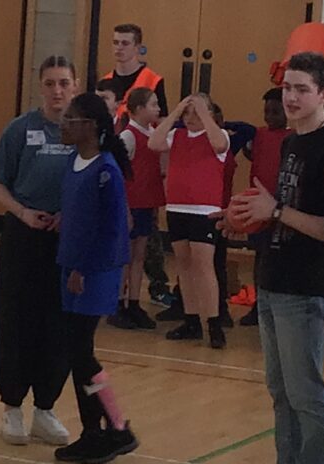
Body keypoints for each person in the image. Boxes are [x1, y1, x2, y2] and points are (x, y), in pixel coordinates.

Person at [226, 53, 324, 464]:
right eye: (287, 88)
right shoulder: (294, 141)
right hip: (275, 278)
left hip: (305, 287)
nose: (291, 98)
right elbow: (281, 211)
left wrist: (274, 210)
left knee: (307, 397)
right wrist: (248, 216)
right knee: (282, 393)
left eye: (302, 89)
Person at [0, 56, 81, 446]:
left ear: (75, 86)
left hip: (66, 240)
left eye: (64, 83)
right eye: (50, 83)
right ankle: (11, 408)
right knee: (14, 322)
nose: (57, 91)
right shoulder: (20, 130)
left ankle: (45, 409)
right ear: (41, 86)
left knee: (57, 325)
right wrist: (22, 212)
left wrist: (70, 216)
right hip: (23, 237)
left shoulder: (84, 134)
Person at [54, 92, 137, 464]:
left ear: (89, 125)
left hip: (93, 272)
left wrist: (83, 268)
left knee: (80, 350)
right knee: (76, 351)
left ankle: (116, 427)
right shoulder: (74, 162)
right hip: (71, 267)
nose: (64, 124)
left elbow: (113, 228)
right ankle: (93, 432)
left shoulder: (106, 171)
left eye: (70, 119)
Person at [96, 22, 170, 301]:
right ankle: (114, 293)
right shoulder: (105, 81)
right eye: (115, 42)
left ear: (138, 46)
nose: (119, 48)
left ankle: (154, 287)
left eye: (125, 43)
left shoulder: (152, 80)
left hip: (143, 165)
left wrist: (162, 167)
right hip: (116, 163)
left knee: (146, 237)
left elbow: (162, 123)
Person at [152, 91, 231, 349]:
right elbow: (154, 142)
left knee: (203, 265)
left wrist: (204, 113)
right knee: (184, 265)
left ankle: (214, 324)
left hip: (203, 211)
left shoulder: (219, 135)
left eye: (196, 112)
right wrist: (177, 111)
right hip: (177, 208)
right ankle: (191, 320)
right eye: (188, 113)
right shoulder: (176, 135)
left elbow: (219, 145)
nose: (191, 117)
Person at [110, 80, 165, 330]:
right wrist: (124, 209)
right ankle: (117, 304)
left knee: (139, 255)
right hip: (130, 206)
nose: (158, 108)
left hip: (145, 204)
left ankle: (133, 302)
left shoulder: (153, 134)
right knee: (125, 256)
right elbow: (117, 175)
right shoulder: (128, 136)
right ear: (139, 109)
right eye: (153, 104)